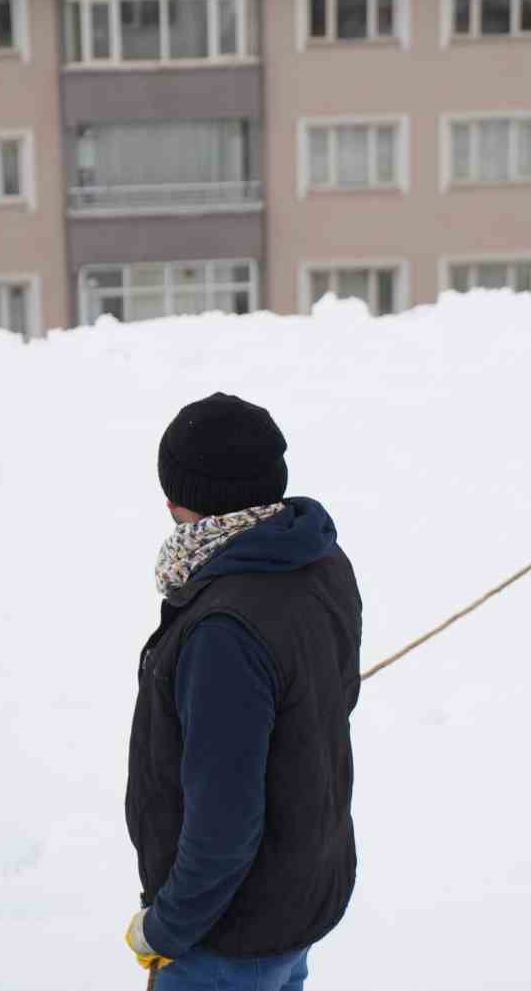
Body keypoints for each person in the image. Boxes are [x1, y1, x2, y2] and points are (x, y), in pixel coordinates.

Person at [124, 392, 363, 990]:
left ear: (182, 501)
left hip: (227, 934)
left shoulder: (223, 631)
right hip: (297, 895)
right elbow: (332, 692)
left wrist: (165, 928)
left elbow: (223, 826)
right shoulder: (316, 557)